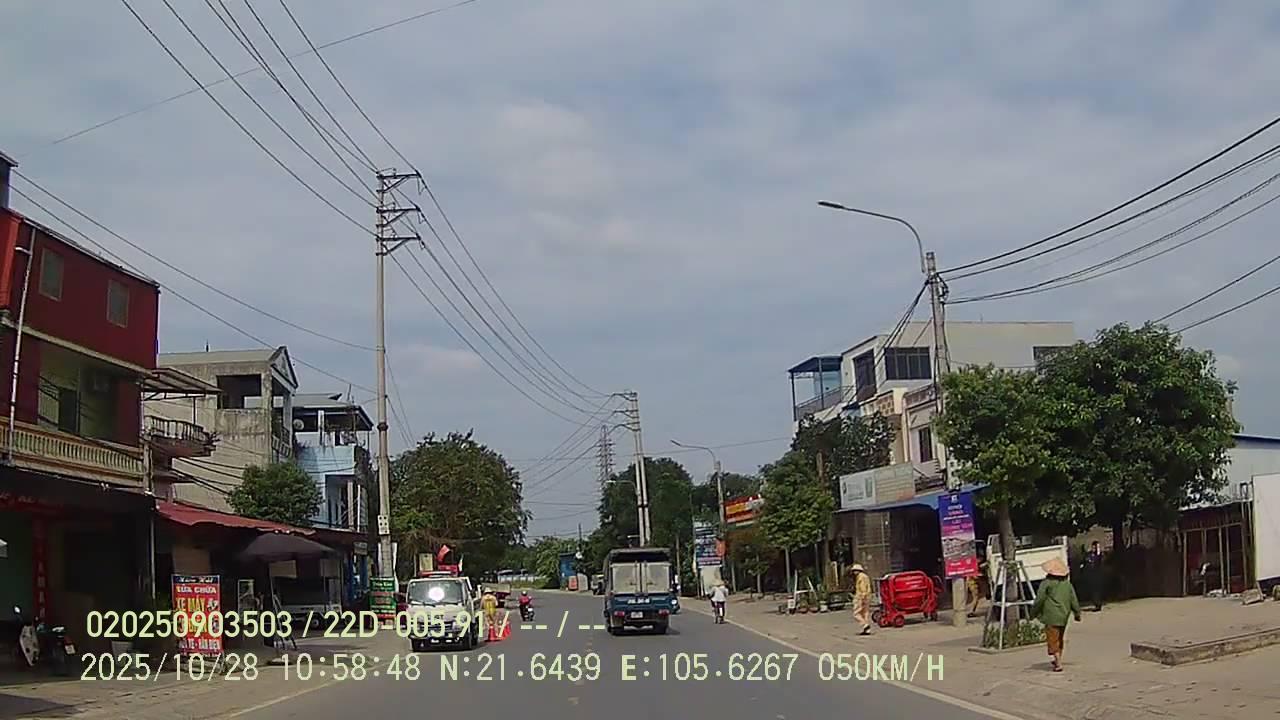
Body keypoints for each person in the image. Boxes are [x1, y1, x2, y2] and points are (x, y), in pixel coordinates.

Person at [1031, 557, 1082, 672]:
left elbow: (1039, 599)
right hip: (1064, 615)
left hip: (1051, 615)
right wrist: (1077, 613)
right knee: (1060, 638)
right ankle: (1058, 658)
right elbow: (1073, 599)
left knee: (1052, 638)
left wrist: (1033, 613)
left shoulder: (1047, 583)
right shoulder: (1067, 584)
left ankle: (1058, 663)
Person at [851, 564, 873, 635]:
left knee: (856, 613)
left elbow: (862, 587)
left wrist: (862, 596)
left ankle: (865, 625)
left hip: (861, 596)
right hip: (868, 596)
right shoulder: (865, 576)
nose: (854, 572)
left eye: (854, 571)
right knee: (865, 613)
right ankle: (867, 630)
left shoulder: (860, 577)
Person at [1084, 541, 1105, 612]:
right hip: (1092, 575)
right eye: (1094, 547)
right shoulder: (1089, 555)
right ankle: (1096, 603)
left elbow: (1100, 560)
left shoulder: (1099, 555)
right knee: (1093, 590)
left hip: (1098, 575)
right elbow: (1085, 561)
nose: (1095, 548)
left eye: (1097, 547)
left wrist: (1098, 552)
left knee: (1097, 590)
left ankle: (1098, 604)